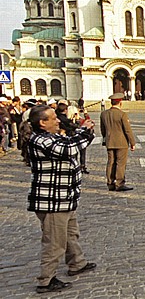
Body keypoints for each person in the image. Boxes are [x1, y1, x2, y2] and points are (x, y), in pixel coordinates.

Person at [27, 104, 97, 293]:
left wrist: (85, 131)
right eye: (53, 118)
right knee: (54, 242)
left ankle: (77, 262)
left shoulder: (52, 137)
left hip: (64, 197)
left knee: (70, 234)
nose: (58, 120)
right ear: (42, 123)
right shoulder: (41, 140)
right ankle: (45, 280)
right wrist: (85, 131)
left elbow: (72, 142)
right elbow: (70, 148)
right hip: (52, 200)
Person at [100, 93, 136, 191]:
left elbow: (103, 129)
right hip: (121, 142)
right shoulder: (122, 114)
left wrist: (105, 138)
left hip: (109, 141)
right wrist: (132, 142)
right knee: (120, 163)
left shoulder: (104, 114)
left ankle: (110, 183)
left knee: (110, 162)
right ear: (120, 103)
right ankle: (119, 183)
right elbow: (127, 130)